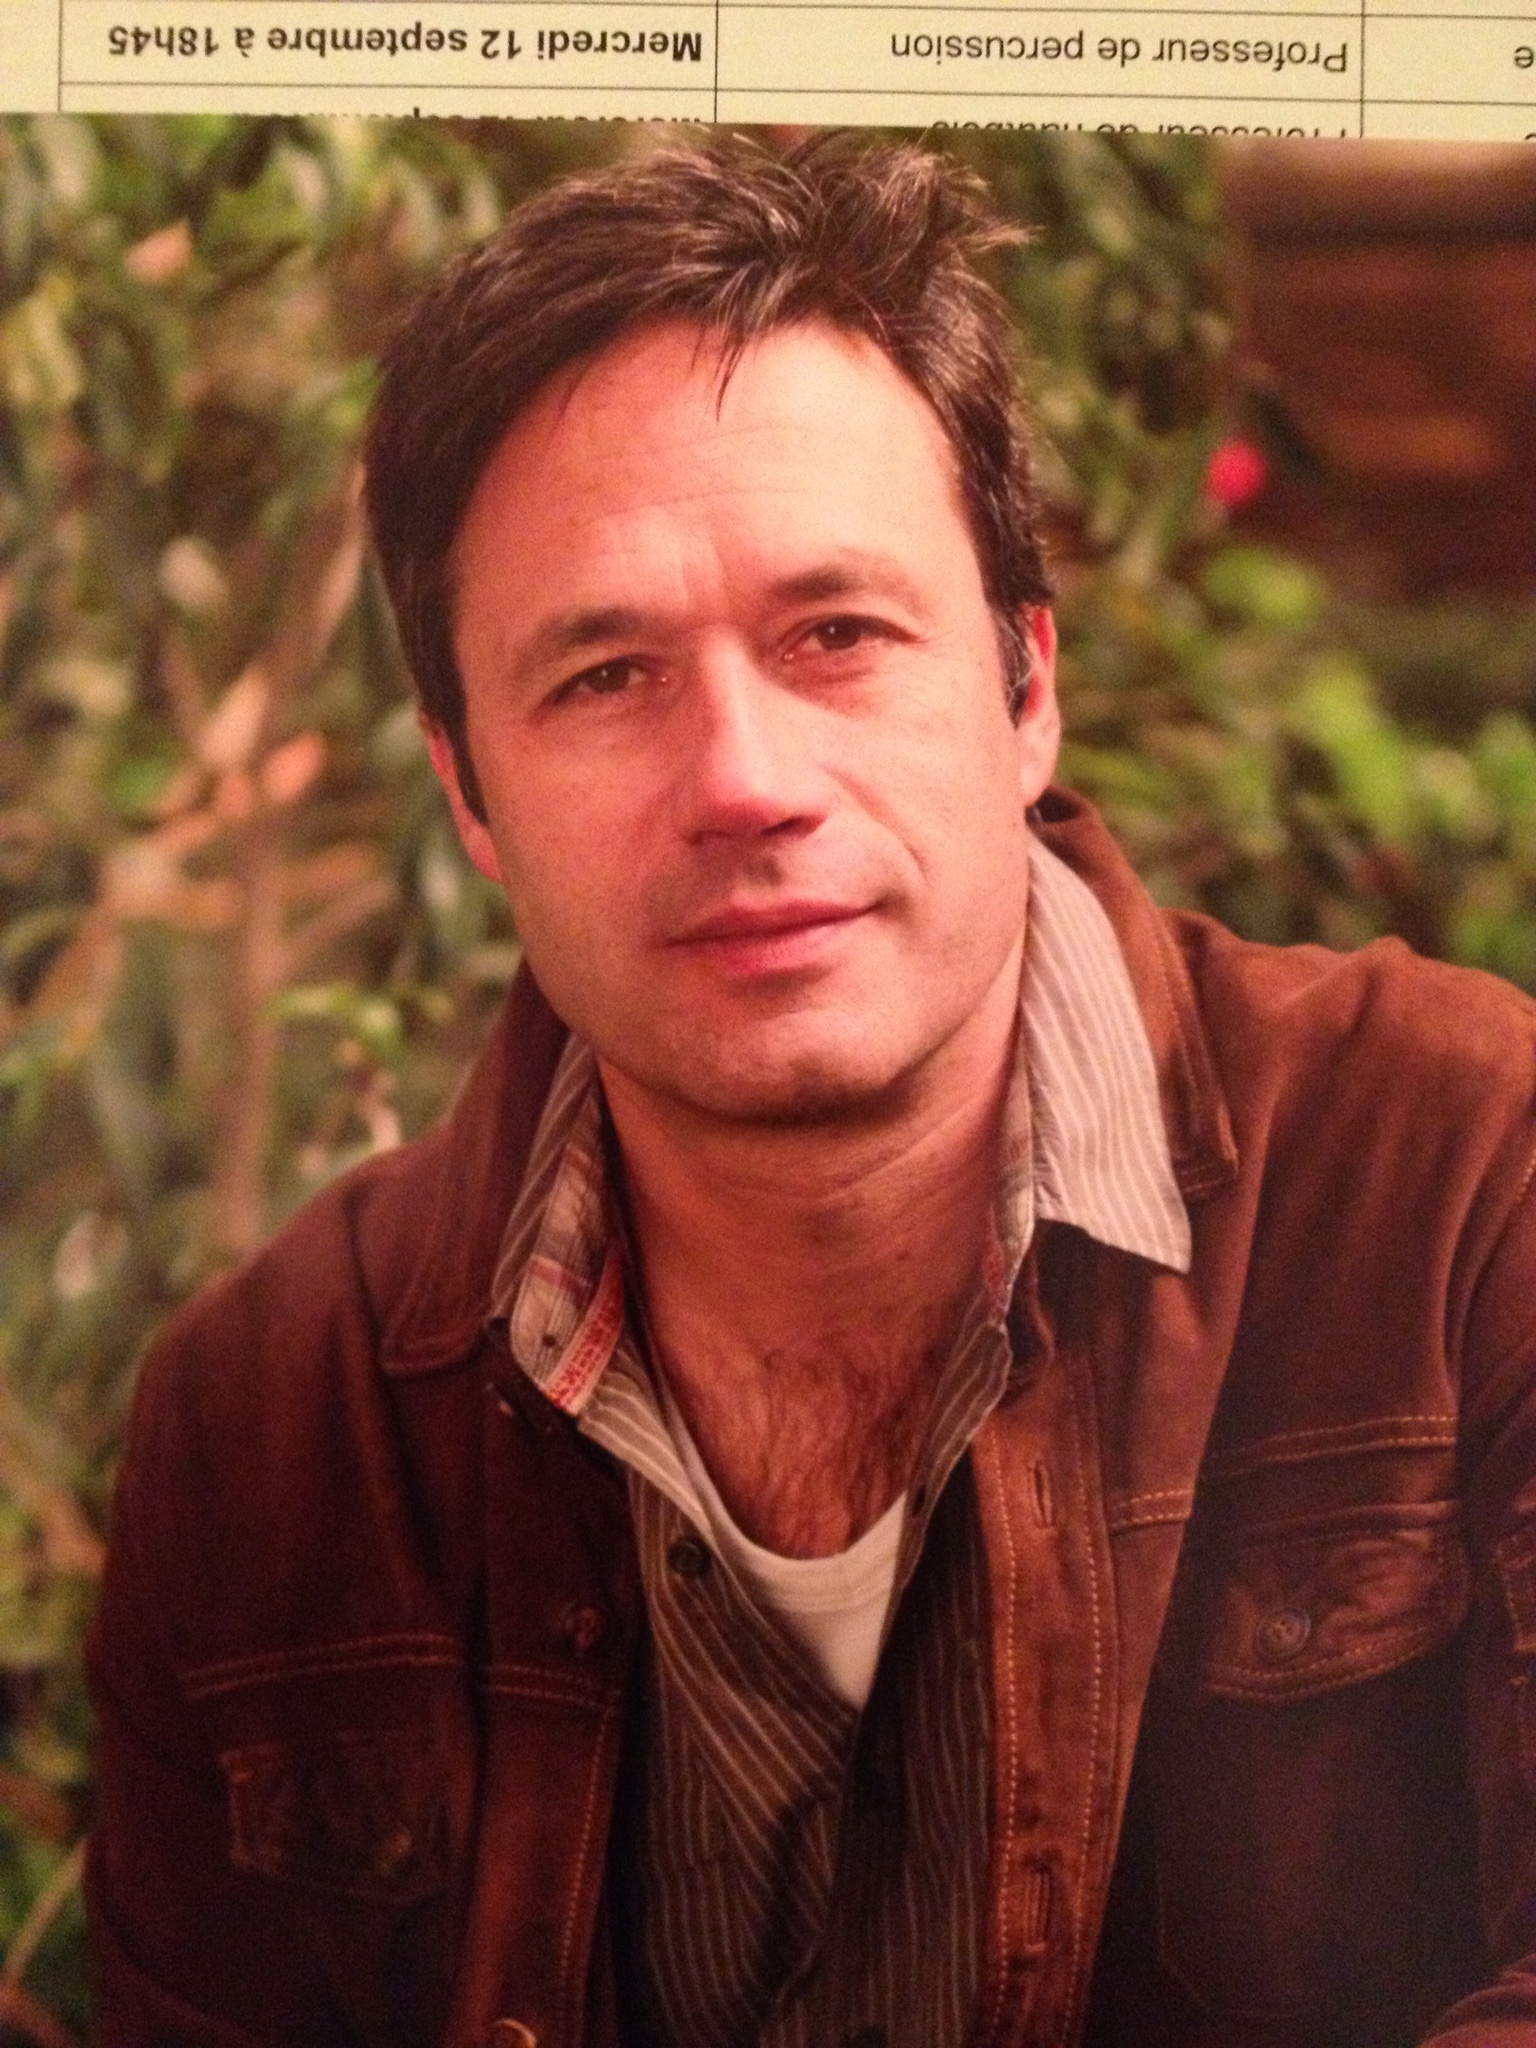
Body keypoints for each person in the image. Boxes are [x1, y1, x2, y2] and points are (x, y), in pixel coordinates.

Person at [84, 135, 1536, 2048]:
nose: (744, 780)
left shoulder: (1464, 1180)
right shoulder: (274, 1425)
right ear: (470, 798)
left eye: (835, 635)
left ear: (1025, 689)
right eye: (605, 677)